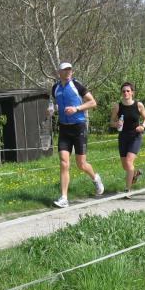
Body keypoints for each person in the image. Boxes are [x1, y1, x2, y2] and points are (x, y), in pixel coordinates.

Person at [47, 61, 104, 208]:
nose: (68, 72)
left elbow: (93, 102)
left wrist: (77, 108)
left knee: (81, 164)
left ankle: (95, 178)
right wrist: (52, 110)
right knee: (64, 162)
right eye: (65, 70)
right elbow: (56, 103)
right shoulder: (55, 88)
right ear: (59, 73)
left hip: (79, 128)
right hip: (64, 129)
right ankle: (64, 198)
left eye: (70, 70)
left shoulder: (77, 85)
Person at [110, 82, 145, 197]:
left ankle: (127, 190)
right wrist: (116, 124)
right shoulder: (117, 106)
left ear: (132, 92)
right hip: (123, 137)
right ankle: (135, 174)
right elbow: (111, 122)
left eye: (128, 91)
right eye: (123, 91)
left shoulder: (138, 105)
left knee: (128, 162)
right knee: (125, 166)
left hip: (135, 136)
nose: (126, 93)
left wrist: (142, 126)